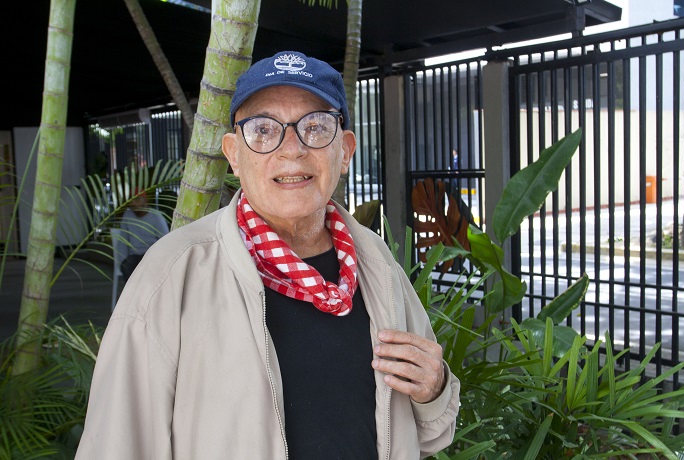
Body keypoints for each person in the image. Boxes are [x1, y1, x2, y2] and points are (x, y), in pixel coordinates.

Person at [76, 50, 460, 459]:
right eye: (263, 129)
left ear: (345, 151)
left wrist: (433, 390)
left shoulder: (375, 264)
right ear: (234, 155)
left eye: (315, 127)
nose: (291, 149)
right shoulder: (172, 273)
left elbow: (430, 433)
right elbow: (115, 445)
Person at [118, 190, 169, 280]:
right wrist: (122, 260)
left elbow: (166, 240)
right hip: (134, 256)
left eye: (136, 199)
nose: (132, 203)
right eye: (130, 200)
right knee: (127, 266)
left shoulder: (156, 216)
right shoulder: (127, 215)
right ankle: (133, 290)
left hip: (152, 255)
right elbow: (123, 241)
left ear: (145, 200)